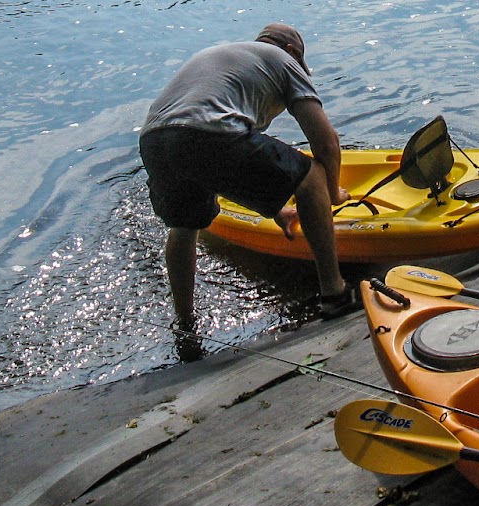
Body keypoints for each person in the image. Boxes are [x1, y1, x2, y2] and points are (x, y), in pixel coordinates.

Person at [138, 23, 353, 343]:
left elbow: (216, 165)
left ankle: (185, 327)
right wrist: (332, 192)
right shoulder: (284, 61)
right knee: (311, 178)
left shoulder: (225, 57)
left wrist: (275, 209)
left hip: (155, 140)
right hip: (208, 133)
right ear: (294, 52)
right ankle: (334, 293)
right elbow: (326, 144)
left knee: (184, 226)